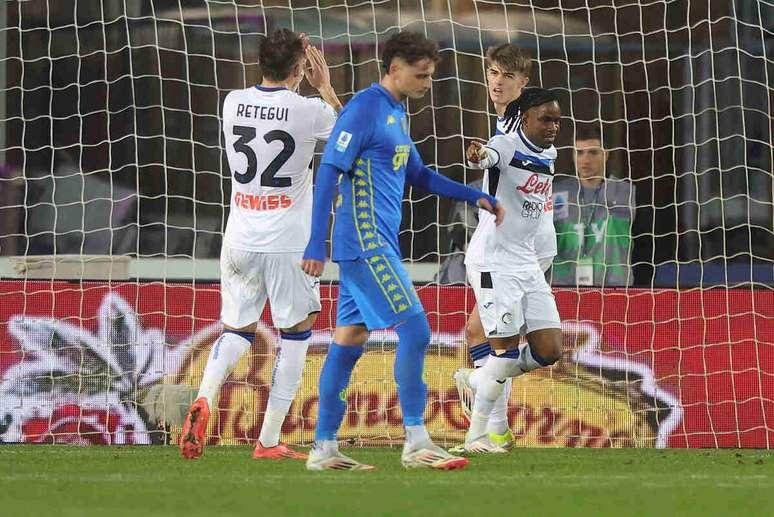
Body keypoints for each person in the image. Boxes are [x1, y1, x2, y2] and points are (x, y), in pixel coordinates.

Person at [301, 31, 504, 471]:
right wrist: (317, 241)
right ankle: (416, 440)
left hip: (376, 243)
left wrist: (475, 197)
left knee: (349, 339)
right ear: (395, 69)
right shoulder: (365, 108)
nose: (428, 83)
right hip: (366, 243)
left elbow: (420, 174)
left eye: (431, 76)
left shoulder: (395, 112)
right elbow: (328, 173)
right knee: (415, 332)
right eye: (422, 75)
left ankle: (323, 448)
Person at [179, 28, 342, 460]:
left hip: (240, 237)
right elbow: (349, 137)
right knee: (296, 334)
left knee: (238, 329)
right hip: (289, 242)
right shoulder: (308, 110)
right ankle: (268, 440)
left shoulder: (232, 102)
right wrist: (324, 85)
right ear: (299, 68)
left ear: (260, 64)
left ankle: (206, 396)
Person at [457, 44, 557, 451]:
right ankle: (490, 428)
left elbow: (499, 150)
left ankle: (481, 390)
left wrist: (487, 152)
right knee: (487, 335)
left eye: (507, 76)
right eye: (492, 73)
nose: (496, 82)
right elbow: (490, 154)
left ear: (524, 84)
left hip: (531, 249)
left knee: (497, 340)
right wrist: (480, 154)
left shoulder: (526, 129)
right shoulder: (508, 134)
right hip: (503, 249)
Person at [551, 125, 636, 286]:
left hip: (613, 289)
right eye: (580, 153)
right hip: (563, 288)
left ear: (605, 155)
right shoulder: (557, 194)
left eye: (593, 152)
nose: (586, 160)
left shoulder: (625, 194)